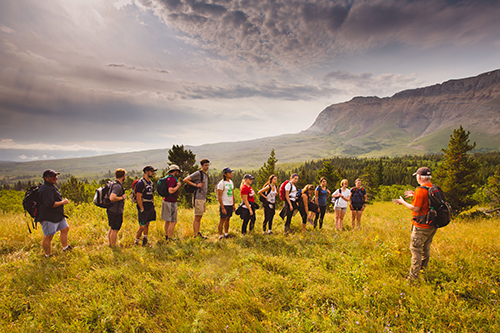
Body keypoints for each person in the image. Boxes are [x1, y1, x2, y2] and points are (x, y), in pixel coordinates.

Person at [393, 167, 437, 281]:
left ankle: (413, 277)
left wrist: (402, 202)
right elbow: (428, 201)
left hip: (421, 225)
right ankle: (423, 270)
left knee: (416, 249)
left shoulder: (421, 190)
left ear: (420, 177)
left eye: (417, 176)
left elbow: (415, 208)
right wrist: (414, 195)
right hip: (432, 225)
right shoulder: (432, 187)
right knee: (426, 248)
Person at [36, 169, 71, 257]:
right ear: (45, 178)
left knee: (65, 229)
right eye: (52, 176)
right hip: (48, 217)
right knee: (48, 236)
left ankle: (65, 247)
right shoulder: (45, 189)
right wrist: (63, 202)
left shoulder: (51, 186)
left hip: (57, 216)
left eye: (55, 176)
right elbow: (50, 204)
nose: (55, 178)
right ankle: (48, 255)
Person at [183, 158, 210, 239]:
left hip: (202, 198)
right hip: (198, 197)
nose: (207, 167)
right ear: (201, 166)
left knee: (200, 216)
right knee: (197, 217)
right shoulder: (198, 173)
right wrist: (195, 185)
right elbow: (185, 180)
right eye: (205, 165)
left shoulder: (205, 174)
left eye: (208, 165)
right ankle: (195, 235)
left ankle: (198, 233)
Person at [135, 165, 157, 246]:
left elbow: (152, 194)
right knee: (142, 226)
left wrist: (153, 204)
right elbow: (138, 197)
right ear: (146, 172)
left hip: (149, 205)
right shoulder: (141, 183)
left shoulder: (150, 183)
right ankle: (136, 240)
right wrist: (141, 208)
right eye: (151, 172)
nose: (153, 173)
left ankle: (145, 239)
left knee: (147, 223)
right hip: (143, 205)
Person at [161, 164, 182, 242]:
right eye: (178, 171)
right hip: (171, 201)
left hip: (166, 200)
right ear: (175, 171)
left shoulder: (167, 178)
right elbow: (171, 190)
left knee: (167, 220)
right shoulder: (172, 179)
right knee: (173, 221)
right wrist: (178, 186)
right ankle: (169, 238)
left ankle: (167, 236)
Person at [107, 168, 127, 247]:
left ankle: (110, 244)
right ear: (123, 176)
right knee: (115, 229)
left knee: (112, 228)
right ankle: (114, 245)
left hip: (111, 209)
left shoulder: (113, 184)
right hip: (116, 211)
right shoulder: (117, 186)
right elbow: (112, 197)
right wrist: (122, 198)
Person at [217, 167, 236, 240]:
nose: (231, 174)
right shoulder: (221, 183)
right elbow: (219, 196)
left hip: (230, 204)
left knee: (228, 219)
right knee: (222, 220)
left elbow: (232, 194)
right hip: (224, 204)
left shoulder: (231, 182)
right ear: (225, 174)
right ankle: (220, 235)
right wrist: (222, 207)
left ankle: (226, 234)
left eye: (231, 172)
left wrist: (233, 204)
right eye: (229, 173)